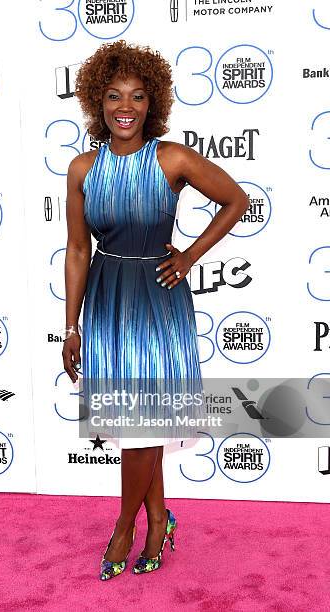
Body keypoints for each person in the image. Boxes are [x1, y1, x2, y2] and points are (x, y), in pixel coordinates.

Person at [62, 39, 249, 580]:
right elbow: (77, 250)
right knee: (133, 420)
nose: (126, 105)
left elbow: (236, 199)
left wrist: (189, 255)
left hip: (157, 298)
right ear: (98, 101)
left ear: (153, 104)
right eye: (115, 95)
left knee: (143, 421)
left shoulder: (173, 158)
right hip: (106, 297)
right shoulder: (81, 169)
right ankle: (158, 523)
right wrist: (70, 327)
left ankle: (124, 527)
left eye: (139, 96)